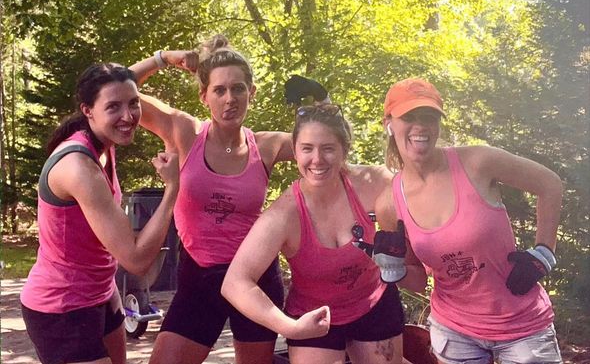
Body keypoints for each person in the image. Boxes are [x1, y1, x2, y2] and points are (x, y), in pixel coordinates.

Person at [128, 36, 328, 364]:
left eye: (238, 89)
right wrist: (164, 57)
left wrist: (320, 99)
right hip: (200, 278)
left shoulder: (267, 146)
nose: (229, 99)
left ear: (252, 93)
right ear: (204, 96)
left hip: (254, 276)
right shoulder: (184, 132)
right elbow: (117, 91)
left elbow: (327, 144)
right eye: (219, 90)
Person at [375, 77, 564, 364]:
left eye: (429, 117)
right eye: (409, 117)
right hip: (455, 332)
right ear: (389, 123)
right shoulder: (390, 203)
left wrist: (543, 252)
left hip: (522, 326)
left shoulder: (477, 162)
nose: (420, 126)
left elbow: (549, 184)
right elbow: (416, 279)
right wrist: (393, 269)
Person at [221, 102, 427, 364]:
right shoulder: (284, 215)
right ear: (294, 152)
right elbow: (235, 282)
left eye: (328, 148)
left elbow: (424, 204)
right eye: (307, 149)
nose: (317, 159)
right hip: (314, 316)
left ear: (344, 150)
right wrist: (288, 327)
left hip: (373, 302)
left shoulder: (373, 182)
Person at [20, 63, 179, 364]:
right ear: (88, 110)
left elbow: (121, 80)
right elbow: (136, 260)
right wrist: (172, 188)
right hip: (62, 307)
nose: (128, 116)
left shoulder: (103, 138)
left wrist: (163, 58)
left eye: (134, 104)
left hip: (101, 293)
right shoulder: (80, 168)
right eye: (114, 107)